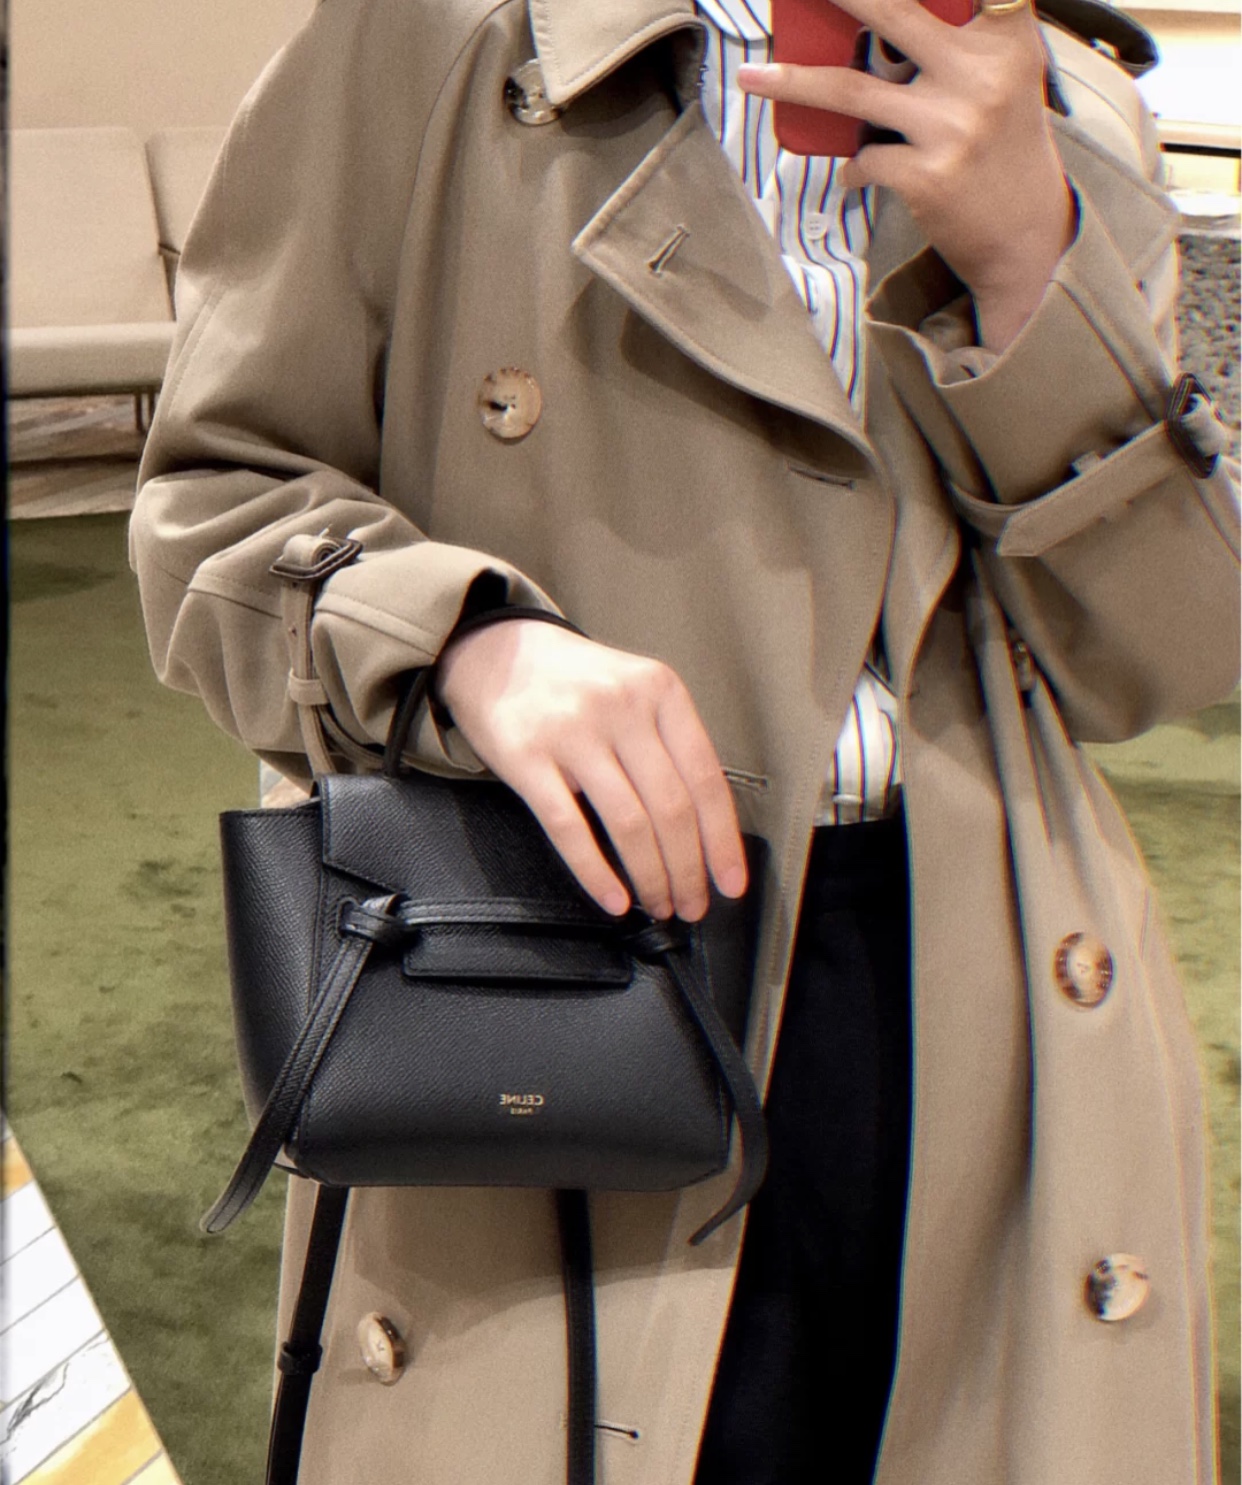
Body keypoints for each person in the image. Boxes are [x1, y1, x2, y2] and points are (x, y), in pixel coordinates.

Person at [130, 0, 1239, 1480]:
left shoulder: (1070, 106)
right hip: (565, 930)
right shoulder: (439, 39)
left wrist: (1030, 268)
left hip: (981, 984)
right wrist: (463, 641)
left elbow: (1158, 657)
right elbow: (209, 502)